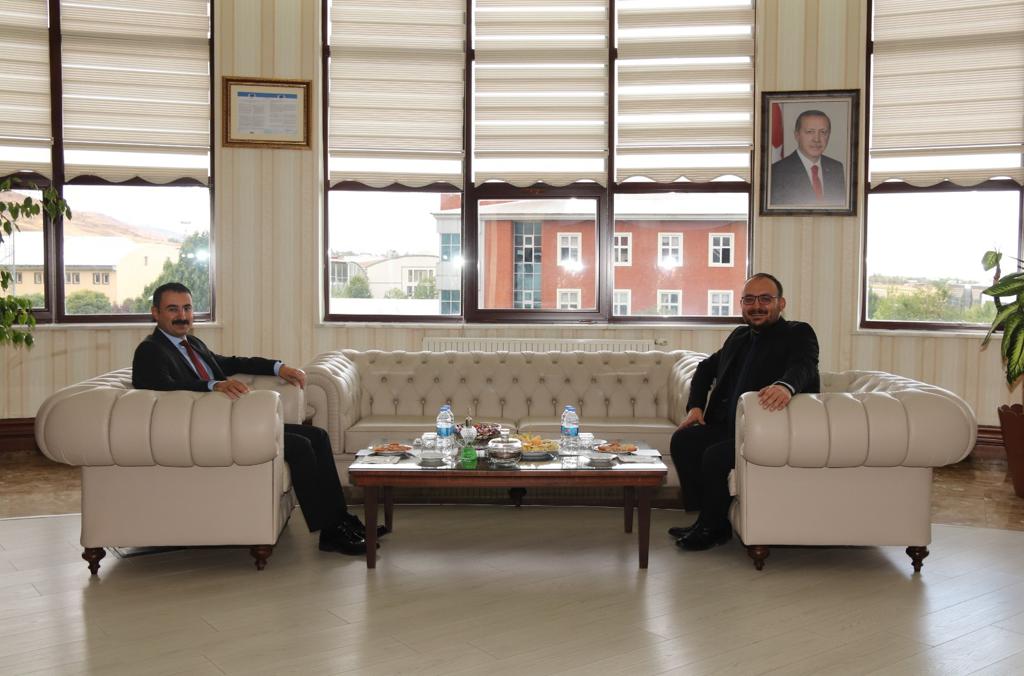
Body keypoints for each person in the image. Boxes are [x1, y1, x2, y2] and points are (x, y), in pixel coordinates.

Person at [132, 282, 377, 556]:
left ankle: (341, 520)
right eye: (173, 309)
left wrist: (278, 367)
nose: (182, 316)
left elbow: (232, 362)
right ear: (155, 312)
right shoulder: (150, 350)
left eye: (187, 308)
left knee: (317, 435)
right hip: (203, 433)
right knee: (299, 446)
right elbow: (159, 387)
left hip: (229, 424)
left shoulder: (192, 344)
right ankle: (329, 533)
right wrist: (213, 385)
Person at [668, 273, 819, 551]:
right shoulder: (739, 336)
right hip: (729, 427)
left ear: (781, 303)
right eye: (749, 299)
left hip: (769, 433)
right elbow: (705, 368)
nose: (756, 306)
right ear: (741, 305)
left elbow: (805, 365)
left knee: (715, 457)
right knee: (684, 440)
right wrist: (695, 406)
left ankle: (710, 527)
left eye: (765, 299)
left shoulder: (798, 333)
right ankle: (710, 520)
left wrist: (785, 386)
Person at [769, 109, 846, 207]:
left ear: (829, 135)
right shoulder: (776, 172)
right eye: (810, 132)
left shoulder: (836, 168)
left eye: (823, 132)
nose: (817, 139)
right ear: (797, 135)